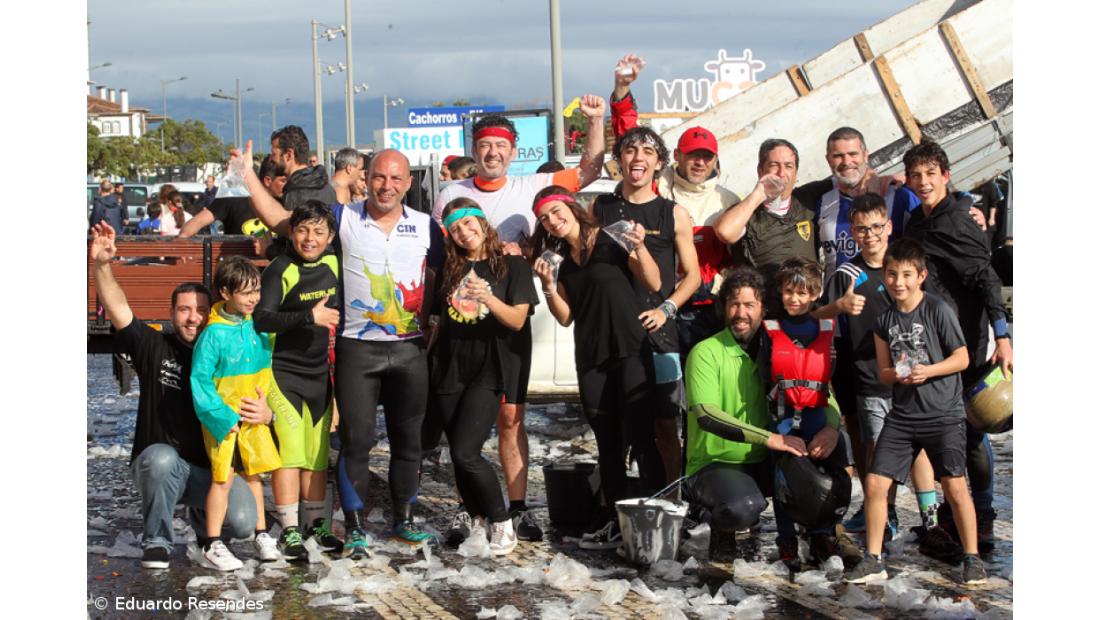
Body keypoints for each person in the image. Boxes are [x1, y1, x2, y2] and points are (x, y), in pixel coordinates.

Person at [235, 143, 443, 556]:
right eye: (379, 177)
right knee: (356, 441)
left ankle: (404, 521)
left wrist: (433, 320)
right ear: (366, 179)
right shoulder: (344, 218)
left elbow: (441, 272)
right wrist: (248, 178)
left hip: (408, 350)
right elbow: (281, 220)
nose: (386, 186)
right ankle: (355, 527)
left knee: (408, 442)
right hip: (358, 350)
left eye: (396, 178)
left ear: (408, 183)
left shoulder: (426, 226)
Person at [431, 97, 607, 543]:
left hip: (509, 322)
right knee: (461, 426)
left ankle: (517, 507)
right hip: (462, 328)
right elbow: (437, 258)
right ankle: (468, 509)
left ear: (513, 151)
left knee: (511, 418)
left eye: (500, 146)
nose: (492, 153)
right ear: (474, 149)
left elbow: (590, 170)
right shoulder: (450, 194)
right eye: (484, 145)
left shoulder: (532, 185)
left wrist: (595, 120)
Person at [90, 223, 259, 570]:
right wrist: (103, 265)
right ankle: (157, 541)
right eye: (184, 310)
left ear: (212, 312)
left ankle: (204, 527)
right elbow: (118, 308)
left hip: (209, 471)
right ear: (171, 314)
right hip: (160, 463)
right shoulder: (154, 346)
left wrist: (266, 412)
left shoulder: (225, 351)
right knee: (162, 460)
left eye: (201, 310)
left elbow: (262, 384)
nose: (193, 318)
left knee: (244, 521)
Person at [845, 239, 987, 585]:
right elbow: (883, 372)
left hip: (943, 414)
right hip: (903, 416)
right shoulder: (884, 321)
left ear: (921, 276)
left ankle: (972, 558)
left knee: (954, 486)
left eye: (907, 274)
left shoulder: (938, 309)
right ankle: (873, 558)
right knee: (875, 483)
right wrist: (897, 374)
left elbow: (962, 358)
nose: (899, 282)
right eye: (892, 274)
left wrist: (928, 371)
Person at [531, 186, 663, 551]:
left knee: (642, 439)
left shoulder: (613, 236)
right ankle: (615, 523)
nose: (552, 221)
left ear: (572, 207)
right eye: (544, 218)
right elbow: (565, 317)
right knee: (607, 444)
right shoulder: (558, 258)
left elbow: (654, 282)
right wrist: (548, 286)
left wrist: (640, 247)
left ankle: (655, 523)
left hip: (629, 348)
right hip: (591, 357)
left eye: (556, 211)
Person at [899, 140, 1012, 555]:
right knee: (940, 431)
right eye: (916, 175)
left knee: (970, 431)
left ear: (946, 176)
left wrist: (1003, 337)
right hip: (927, 340)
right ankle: (951, 514)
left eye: (931, 174)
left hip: (965, 340)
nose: (924, 182)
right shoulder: (916, 220)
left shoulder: (961, 220)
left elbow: (988, 280)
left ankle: (983, 515)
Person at [815, 194, 936, 544]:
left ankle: (930, 520)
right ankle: (884, 511)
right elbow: (819, 316)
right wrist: (839, 306)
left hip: (911, 372)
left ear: (889, 226)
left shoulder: (904, 268)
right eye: (862, 229)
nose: (870, 235)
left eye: (877, 227)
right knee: (877, 448)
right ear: (852, 232)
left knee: (917, 447)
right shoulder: (847, 273)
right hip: (869, 376)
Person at [608, 54, 745, 354]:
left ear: (715, 160)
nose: (699, 162)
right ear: (677, 157)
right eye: (692, 155)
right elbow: (631, 141)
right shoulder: (659, 186)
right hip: (659, 303)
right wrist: (622, 90)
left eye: (706, 156)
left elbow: (738, 259)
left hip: (708, 308)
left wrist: (720, 283)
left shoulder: (728, 200)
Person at [592, 125, 702, 487]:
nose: (638, 158)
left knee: (665, 425)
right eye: (630, 151)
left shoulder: (674, 213)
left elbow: (693, 277)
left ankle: (671, 497)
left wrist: (666, 309)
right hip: (611, 333)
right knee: (617, 425)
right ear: (619, 160)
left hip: (658, 334)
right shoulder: (601, 207)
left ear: (659, 164)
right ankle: (618, 500)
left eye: (648, 152)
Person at [430, 198, 539, 555]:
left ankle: (502, 519)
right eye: (455, 229)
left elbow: (518, 320)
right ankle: (476, 516)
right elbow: (436, 321)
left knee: (466, 452)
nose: (464, 232)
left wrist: (488, 299)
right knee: (456, 452)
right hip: (448, 368)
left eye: (468, 223)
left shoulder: (512, 265)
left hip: (488, 369)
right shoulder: (449, 268)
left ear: (482, 221)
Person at [682, 267, 803, 548]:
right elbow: (707, 415)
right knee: (741, 507)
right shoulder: (705, 352)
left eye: (749, 305)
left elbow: (823, 393)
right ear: (724, 308)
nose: (740, 313)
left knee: (826, 479)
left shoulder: (778, 349)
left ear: (763, 309)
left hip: (764, 460)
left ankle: (822, 543)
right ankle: (707, 520)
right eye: (734, 304)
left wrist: (831, 430)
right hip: (714, 464)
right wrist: (769, 438)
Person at [252, 201, 342, 561]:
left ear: (330, 236)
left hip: (319, 374)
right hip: (284, 373)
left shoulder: (333, 262)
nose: (310, 238)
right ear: (291, 232)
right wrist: (308, 317)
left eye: (318, 231)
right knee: (290, 452)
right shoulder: (280, 269)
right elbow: (262, 318)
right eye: (303, 230)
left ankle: (315, 524)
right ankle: (289, 528)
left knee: (317, 454)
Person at [756, 257, 856, 568]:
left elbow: (834, 380)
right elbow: (763, 375)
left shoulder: (827, 327)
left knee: (826, 475)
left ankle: (822, 534)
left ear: (815, 294)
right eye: (788, 291)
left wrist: (832, 426)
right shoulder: (770, 329)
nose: (794, 299)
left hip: (817, 416)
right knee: (785, 480)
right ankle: (786, 539)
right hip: (784, 418)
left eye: (802, 293)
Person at [190, 256, 282, 571]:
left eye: (256, 291)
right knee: (223, 478)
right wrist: (221, 418)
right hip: (226, 421)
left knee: (254, 475)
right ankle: (212, 542)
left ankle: (261, 533)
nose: (253, 298)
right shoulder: (213, 334)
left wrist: (266, 407)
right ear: (225, 293)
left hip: (252, 416)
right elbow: (200, 381)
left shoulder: (258, 326)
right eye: (245, 293)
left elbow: (266, 369)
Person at [713, 139, 818, 315]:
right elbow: (725, 232)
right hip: (765, 315)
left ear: (796, 172)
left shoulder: (808, 198)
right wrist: (760, 194)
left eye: (788, 166)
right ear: (760, 170)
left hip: (807, 313)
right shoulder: (748, 211)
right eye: (774, 165)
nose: (781, 173)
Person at [180, 156, 287, 238]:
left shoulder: (288, 204)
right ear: (268, 181)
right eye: (283, 181)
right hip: (239, 260)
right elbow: (196, 222)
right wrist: (182, 245)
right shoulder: (233, 198)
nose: (288, 185)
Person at [270, 125, 339, 211]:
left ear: (288, 155)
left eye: (273, 154)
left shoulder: (293, 196)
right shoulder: (328, 189)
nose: (271, 159)